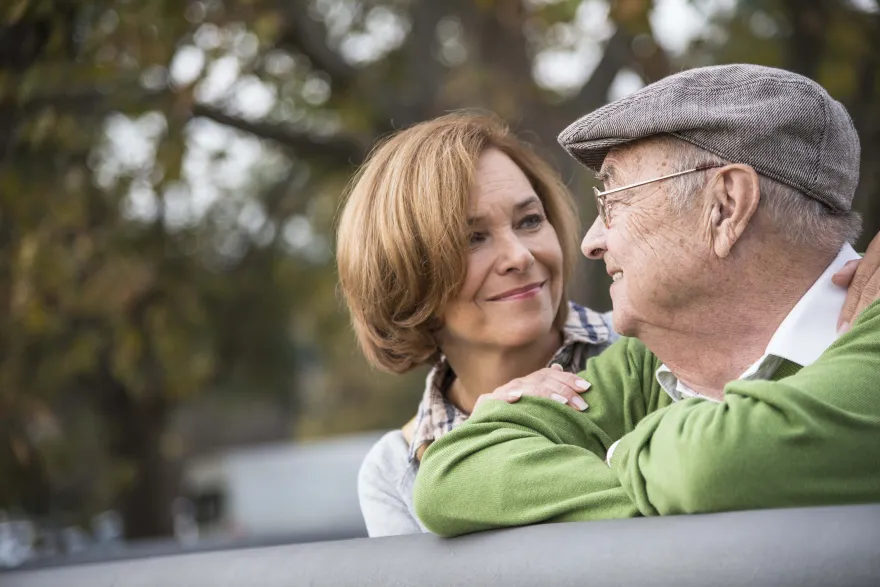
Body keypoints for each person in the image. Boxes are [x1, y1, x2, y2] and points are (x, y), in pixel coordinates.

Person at [412, 64, 880, 537]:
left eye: (613, 199)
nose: (590, 242)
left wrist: (618, 451)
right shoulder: (650, 360)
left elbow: (714, 468)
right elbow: (452, 475)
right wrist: (671, 484)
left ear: (726, 207)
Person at [336, 113, 615, 536]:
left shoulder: (653, 345)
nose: (519, 256)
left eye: (529, 221)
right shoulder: (396, 471)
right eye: (472, 239)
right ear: (406, 276)